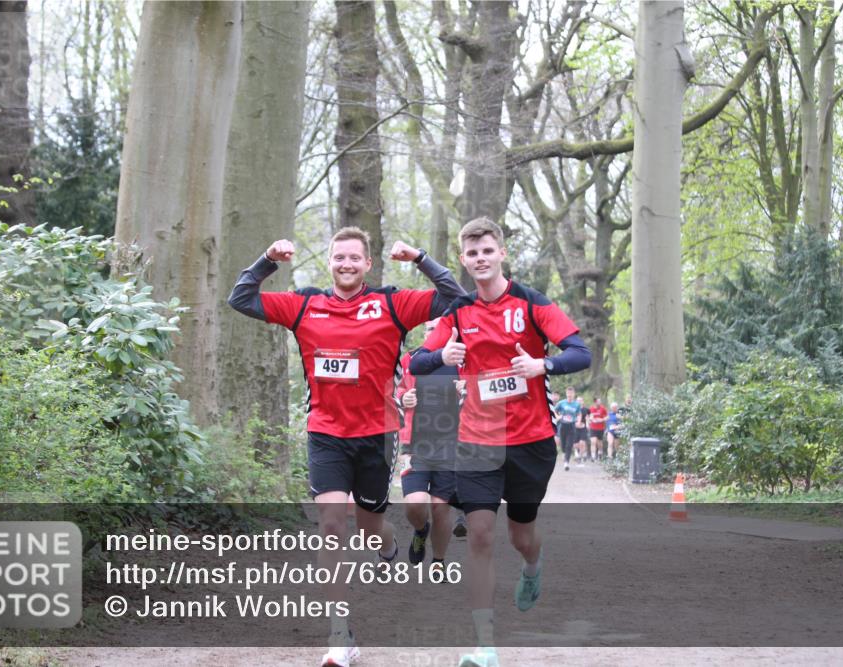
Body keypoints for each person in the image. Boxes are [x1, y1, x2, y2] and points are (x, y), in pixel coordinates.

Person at [227, 227, 465, 667]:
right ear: (330, 262)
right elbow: (240, 298)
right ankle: (341, 633)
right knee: (332, 524)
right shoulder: (305, 305)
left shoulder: (392, 304)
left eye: (355, 258)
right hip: (326, 433)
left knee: (370, 525)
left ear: (368, 264)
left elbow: (456, 297)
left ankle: (388, 546)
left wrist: (419, 258)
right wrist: (267, 259)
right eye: (339, 257)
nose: (346, 264)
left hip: (377, 434)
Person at [409, 217, 591, 667]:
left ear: (501, 253)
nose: (480, 259)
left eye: (487, 250)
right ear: (463, 260)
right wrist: (441, 355)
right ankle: (485, 645)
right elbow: (416, 362)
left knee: (521, 536)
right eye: (472, 253)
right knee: (480, 535)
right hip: (476, 439)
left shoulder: (531, 302)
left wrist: (542, 366)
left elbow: (580, 353)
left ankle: (533, 565)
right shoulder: (458, 311)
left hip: (531, 440)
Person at [397, 319, 462, 580]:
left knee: (441, 508)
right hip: (415, 446)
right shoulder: (410, 360)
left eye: (439, 329)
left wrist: (467, 391)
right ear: (424, 333)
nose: (434, 333)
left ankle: (438, 561)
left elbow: (482, 396)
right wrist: (402, 398)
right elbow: (392, 392)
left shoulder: (461, 362)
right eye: (430, 329)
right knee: (415, 505)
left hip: (451, 446)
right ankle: (420, 530)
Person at [552, 387, 582, 471]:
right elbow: (554, 410)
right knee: (563, 445)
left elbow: (579, 414)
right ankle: (564, 453)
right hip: (562, 426)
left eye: (571, 393)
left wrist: (578, 421)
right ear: (566, 394)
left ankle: (566, 463)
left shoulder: (576, 404)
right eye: (568, 393)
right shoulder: (561, 403)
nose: (570, 395)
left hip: (571, 426)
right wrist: (557, 417)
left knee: (569, 445)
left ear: (574, 394)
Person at [588, 397, 608, 461]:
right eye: (598, 401)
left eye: (600, 401)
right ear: (595, 402)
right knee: (593, 441)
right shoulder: (591, 408)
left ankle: (600, 453)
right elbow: (588, 417)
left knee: (599, 443)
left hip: (600, 428)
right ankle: (593, 456)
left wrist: (602, 419)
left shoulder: (603, 408)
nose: (600, 402)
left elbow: (607, 416)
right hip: (593, 427)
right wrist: (591, 419)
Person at [574, 395, 590, 463]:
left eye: (580, 400)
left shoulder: (586, 410)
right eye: (578, 400)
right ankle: (577, 453)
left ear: (583, 401)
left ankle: (579, 457)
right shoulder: (573, 409)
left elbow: (588, 417)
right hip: (575, 428)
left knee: (582, 443)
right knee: (576, 444)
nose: (579, 402)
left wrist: (588, 424)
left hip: (583, 428)